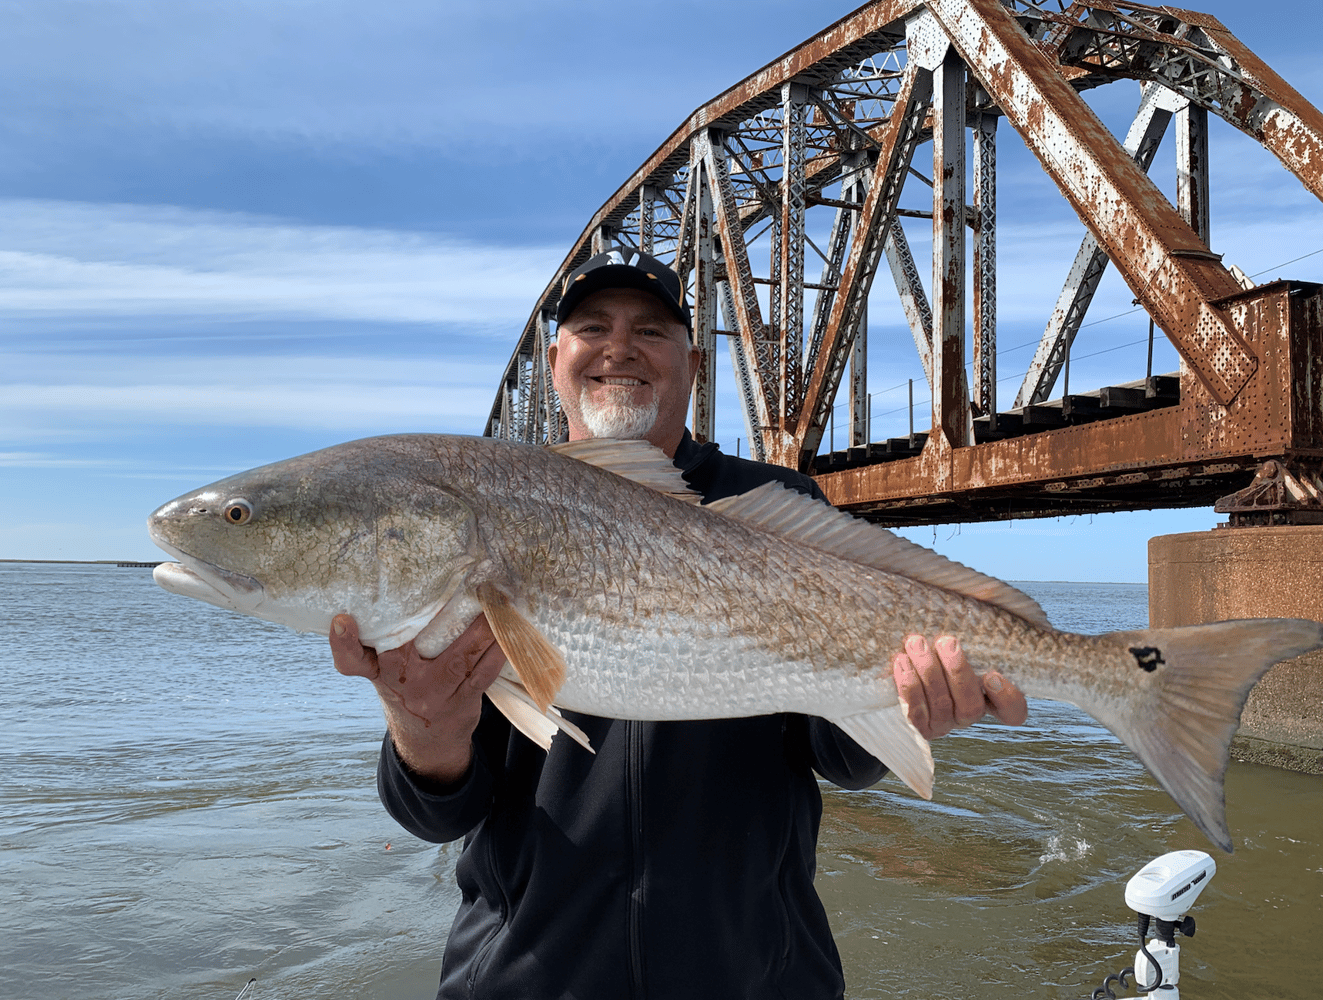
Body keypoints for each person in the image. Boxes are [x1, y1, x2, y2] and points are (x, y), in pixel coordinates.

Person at [330, 250, 1028, 999]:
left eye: (651, 331)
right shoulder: (481, 513)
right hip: (523, 980)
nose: (619, 347)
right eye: (591, 326)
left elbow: (838, 757)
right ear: (555, 358)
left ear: (692, 362)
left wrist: (912, 708)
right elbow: (437, 819)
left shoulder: (778, 507)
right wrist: (423, 732)